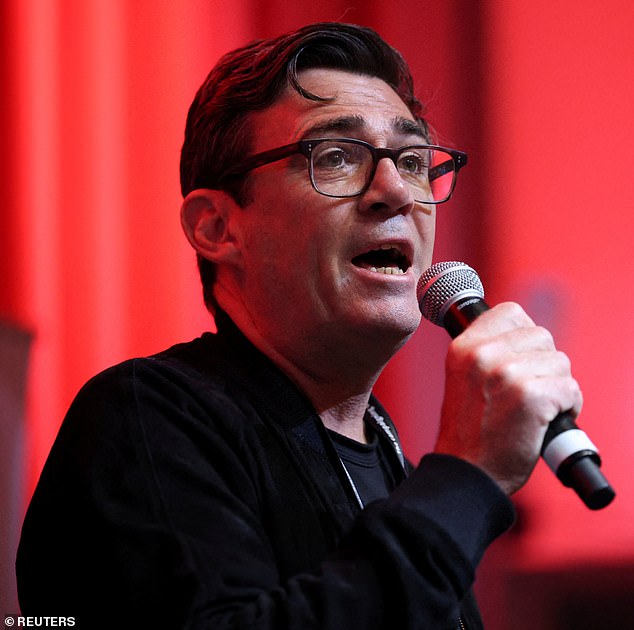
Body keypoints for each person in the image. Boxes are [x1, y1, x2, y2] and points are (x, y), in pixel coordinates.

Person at [16, 22, 582, 629]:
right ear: (217, 227)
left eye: (413, 161)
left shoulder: (392, 460)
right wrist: (466, 479)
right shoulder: (145, 419)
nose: (395, 191)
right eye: (336, 157)